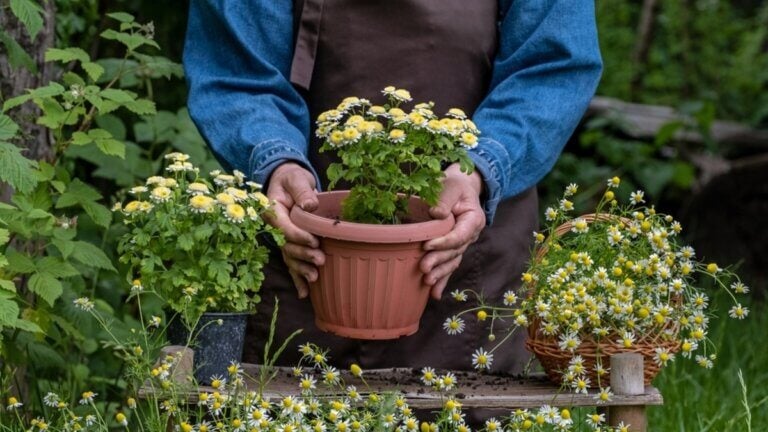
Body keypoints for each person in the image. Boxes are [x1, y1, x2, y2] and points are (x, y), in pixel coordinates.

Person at [183, 0, 602, 373]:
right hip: (301, 249)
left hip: (465, 252)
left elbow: (552, 65)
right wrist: (276, 161)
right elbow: (238, 71)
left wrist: (475, 167)